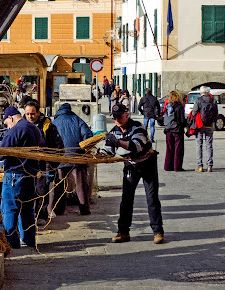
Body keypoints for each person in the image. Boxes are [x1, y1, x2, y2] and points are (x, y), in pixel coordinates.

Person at [0, 106, 45, 249]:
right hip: (30, 175)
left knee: (10, 209)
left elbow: (1, 152)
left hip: (15, 176)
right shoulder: (34, 129)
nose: (7, 127)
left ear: (10, 118)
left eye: (7, 123)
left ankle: (11, 242)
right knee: (27, 210)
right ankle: (29, 240)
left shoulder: (15, 130)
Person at [106, 101, 165, 244]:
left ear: (127, 115)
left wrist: (117, 143)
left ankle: (158, 231)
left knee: (152, 198)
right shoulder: (115, 130)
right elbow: (107, 149)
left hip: (147, 163)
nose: (117, 120)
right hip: (131, 165)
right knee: (126, 199)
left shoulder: (138, 127)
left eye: (119, 117)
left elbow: (135, 146)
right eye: (114, 117)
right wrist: (97, 155)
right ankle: (123, 231)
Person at [23, 101, 64, 226]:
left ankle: (41, 216)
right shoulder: (22, 126)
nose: (30, 116)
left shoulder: (48, 126)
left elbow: (59, 146)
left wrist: (53, 164)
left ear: (38, 113)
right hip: (27, 164)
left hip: (44, 165)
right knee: (28, 191)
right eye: (27, 114)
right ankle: (29, 216)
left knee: (42, 191)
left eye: (32, 114)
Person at [51, 102, 94, 216]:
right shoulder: (77, 119)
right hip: (77, 156)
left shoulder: (54, 122)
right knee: (81, 184)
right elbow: (88, 136)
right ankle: (84, 209)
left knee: (59, 184)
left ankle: (59, 209)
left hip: (60, 157)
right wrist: (83, 150)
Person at [190, 86, 217, 172]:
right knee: (209, 145)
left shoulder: (198, 100)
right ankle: (209, 166)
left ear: (201, 92)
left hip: (200, 125)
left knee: (199, 145)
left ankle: (200, 166)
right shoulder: (213, 100)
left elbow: (194, 112)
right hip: (209, 125)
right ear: (208, 92)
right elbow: (216, 113)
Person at [163, 90, 186, 171]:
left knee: (169, 148)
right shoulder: (179, 106)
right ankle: (177, 167)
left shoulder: (168, 106)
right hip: (177, 130)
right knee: (178, 149)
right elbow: (182, 120)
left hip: (168, 129)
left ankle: (167, 166)